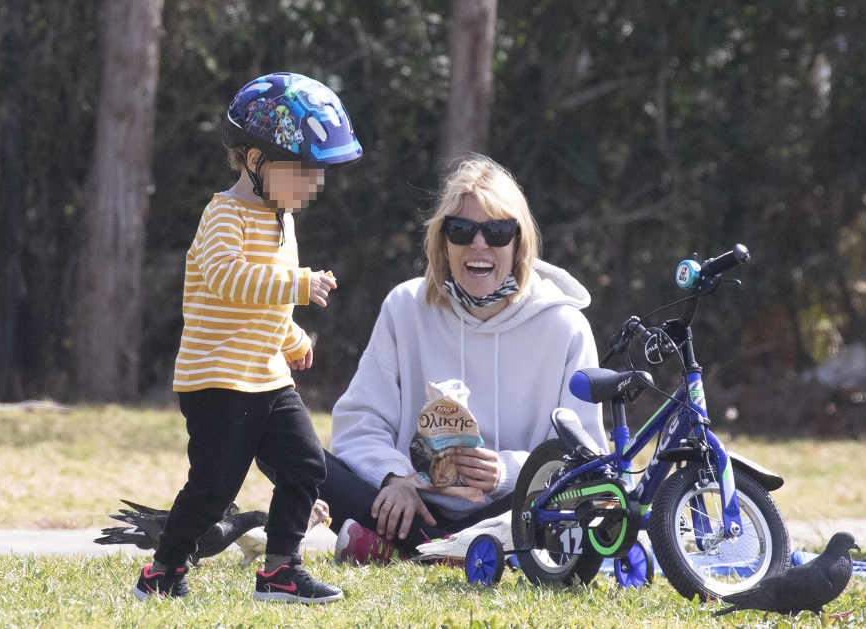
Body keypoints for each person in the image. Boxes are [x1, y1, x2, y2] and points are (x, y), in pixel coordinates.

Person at [131, 72, 361, 603]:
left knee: (307, 464)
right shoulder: (223, 215)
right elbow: (231, 281)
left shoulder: (282, 221)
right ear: (255, 161)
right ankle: (162, 570)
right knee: (213, 492)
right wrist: (300, 285)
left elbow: (266, 305)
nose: (314, 186)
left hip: (266, 376)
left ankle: (281, 569)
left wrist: (291, 337)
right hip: (216, 379)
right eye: (303, 172)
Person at [319, 155, 606, 564]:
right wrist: (395, 477)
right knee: (292, 449)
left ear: (519, 242)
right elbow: (359, 423)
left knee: (562, 508)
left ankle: (406, 548)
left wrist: (506, 473)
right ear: (442, 241)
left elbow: (586, 455)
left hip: (509, 511)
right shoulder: (405, 306)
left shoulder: (566, 326)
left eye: (497, 231)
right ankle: (445, 550)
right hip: (412, 505)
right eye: (461, 230)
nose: (479, 244)